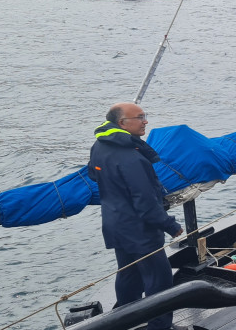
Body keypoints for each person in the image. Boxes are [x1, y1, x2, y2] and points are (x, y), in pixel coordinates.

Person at [88, 102, 184, 330]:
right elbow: (146, 203)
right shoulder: (133, 158)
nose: (146, 121)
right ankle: (160, 327)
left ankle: (125, 322)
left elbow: (93, 174)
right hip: (140, 231)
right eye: (140, 117)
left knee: (128, 275)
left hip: (116, 226)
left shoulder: (99, 146)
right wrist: (171, 226)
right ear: (122, 124)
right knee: (159, 281)